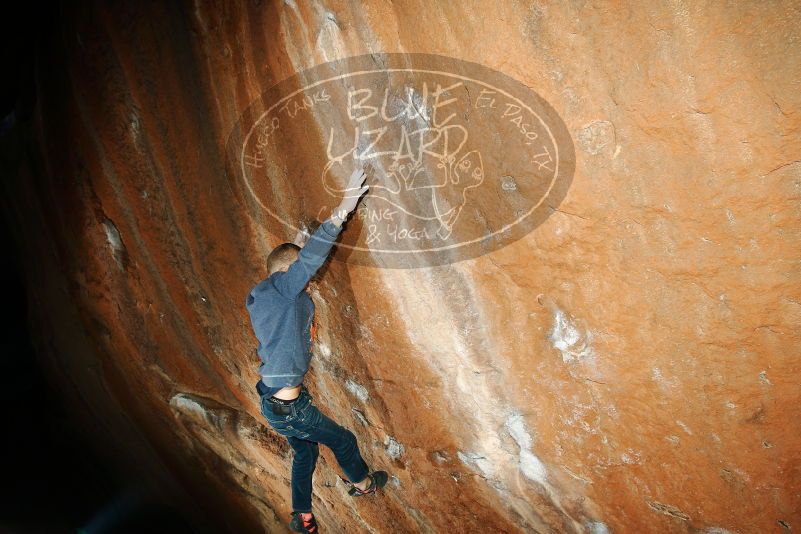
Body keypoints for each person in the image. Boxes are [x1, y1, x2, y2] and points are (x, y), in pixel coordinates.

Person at [245, 166, 388, 533]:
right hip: (290, 406)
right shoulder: (284, 288)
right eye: (298, 277)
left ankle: (302, 516)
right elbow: (308, 261)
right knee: (344, 440)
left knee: (305, 451)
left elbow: (292, 264)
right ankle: (363, 484)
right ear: (288, 274)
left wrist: (292, 248)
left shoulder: (265, 298)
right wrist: (344, 208)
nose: (305, 284)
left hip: (272, 400)